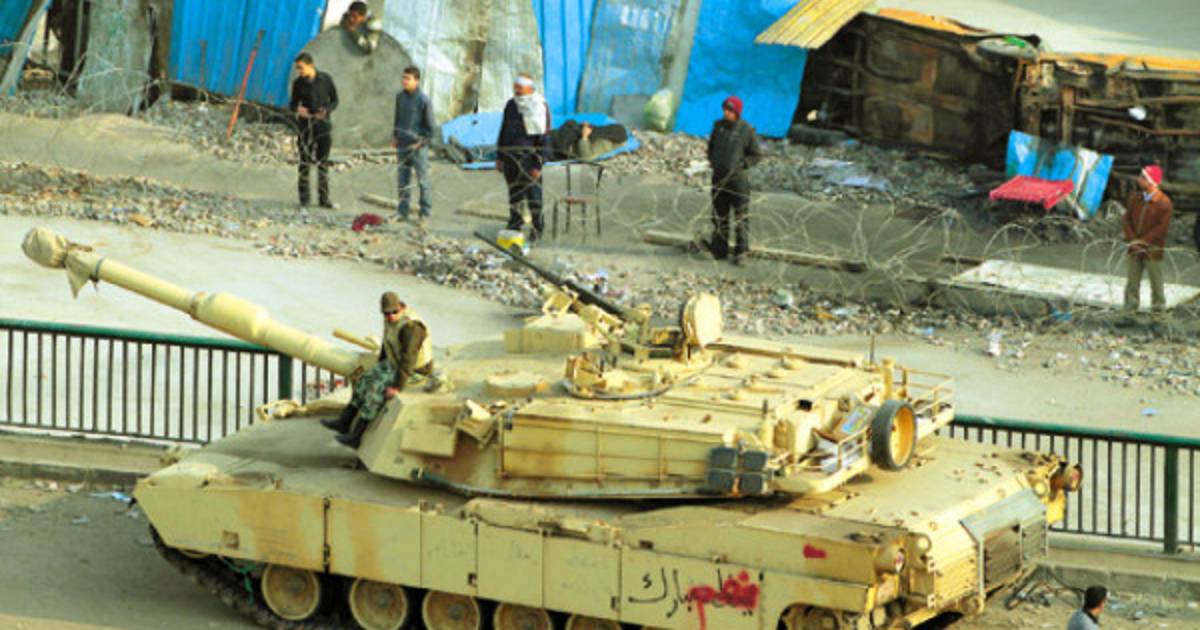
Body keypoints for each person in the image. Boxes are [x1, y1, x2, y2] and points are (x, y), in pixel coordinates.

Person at [324, 292, 434, 448]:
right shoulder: (391, 321)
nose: (390, 316)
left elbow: (409, 359)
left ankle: (357, 436)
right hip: (395, 362)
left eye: (394, 312)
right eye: (386, 313)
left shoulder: (411, 328)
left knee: (376, 390)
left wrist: (396, 387)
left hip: (416, 369)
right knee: (364, 379)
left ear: (400, 308)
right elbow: (387, 344)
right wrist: (379, 367)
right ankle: (345, 421)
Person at [705, 95, 762, 265]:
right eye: (725, 109)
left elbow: (756, 155)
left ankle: (741, 251)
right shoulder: (718, 126)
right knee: (719, 215)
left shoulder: (746, 130)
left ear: (737, 112)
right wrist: (714, 162)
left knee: (740, 217)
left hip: (738, 181)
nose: (726, 113)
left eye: (729, 110)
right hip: (719, 178)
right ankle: (719, 249)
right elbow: (711, 147)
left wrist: (741, 165)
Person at [497, 73, 551, 242]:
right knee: (515, 194)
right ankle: (515, 223)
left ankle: (537, 227)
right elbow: (504, 130)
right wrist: (500, 156)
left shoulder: (539, 106)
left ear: (529, 88)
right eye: (516, 87)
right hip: (510, 157)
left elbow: (544, 137)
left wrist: (538, 164)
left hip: (529, 159)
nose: (517, 91)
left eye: (520, 87)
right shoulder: (511, 105)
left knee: (534, 196)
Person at [1121, 164, 1172, 327]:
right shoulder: (1135, 198)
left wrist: (1142, 242)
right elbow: (1126, 220)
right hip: (1134, 247)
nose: (1139, 180)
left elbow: (1161, 229)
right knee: (1132, 282)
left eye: (1143, 177)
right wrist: (1132, 240)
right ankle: (1129, 315)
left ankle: (1157, 318)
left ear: (1152, 181)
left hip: (1152, 249)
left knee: (1156, 284)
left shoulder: (1164, 203)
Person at [289, 53, 339, 209]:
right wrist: (298, 109)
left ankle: (324, 199)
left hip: (323, 126)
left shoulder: (326, 79)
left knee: (322, 164)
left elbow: (335, 100)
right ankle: (304, 200)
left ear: (311, 65)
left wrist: (326, 110)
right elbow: (292, 104)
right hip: (305, 127)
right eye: (297, 69)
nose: (299, 71)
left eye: (301, 68)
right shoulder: (298, 84)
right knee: (304, 163)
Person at [392, 66, 436, 220]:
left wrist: (421, 143)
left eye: (408, 78)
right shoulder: (400, 97)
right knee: (402, 181)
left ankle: (425, 212)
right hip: (402, 145)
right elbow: (397, 118)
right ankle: (402, 211)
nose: (404, 81)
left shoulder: (424, 100)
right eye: (403, 77)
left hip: (418, 148)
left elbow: (432, 129)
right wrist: (395, 136)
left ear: (416, 81)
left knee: (422, 181)